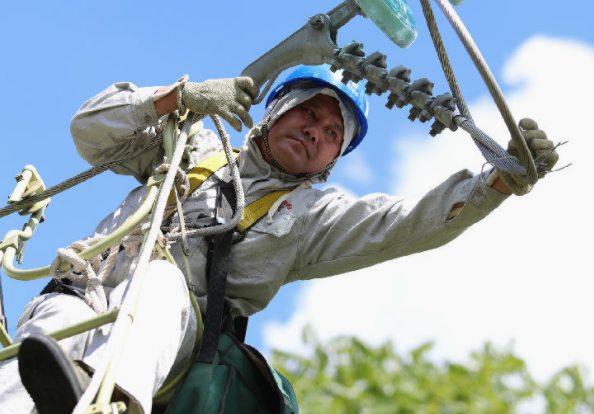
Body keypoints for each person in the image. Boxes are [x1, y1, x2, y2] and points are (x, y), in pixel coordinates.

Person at [0, 65, 559, 414]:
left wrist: (498, 182)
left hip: (165, 338)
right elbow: (89, 131)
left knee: (161, 282)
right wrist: (178, 98)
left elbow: (409, 222)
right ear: (272, 115)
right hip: (80, 292)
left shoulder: (314, 214)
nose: (316, 129)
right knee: (29, 359)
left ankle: (109, 402)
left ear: (332, 160)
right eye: (307, 113)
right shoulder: (193, 145)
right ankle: (60, 389)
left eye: (332, 132)